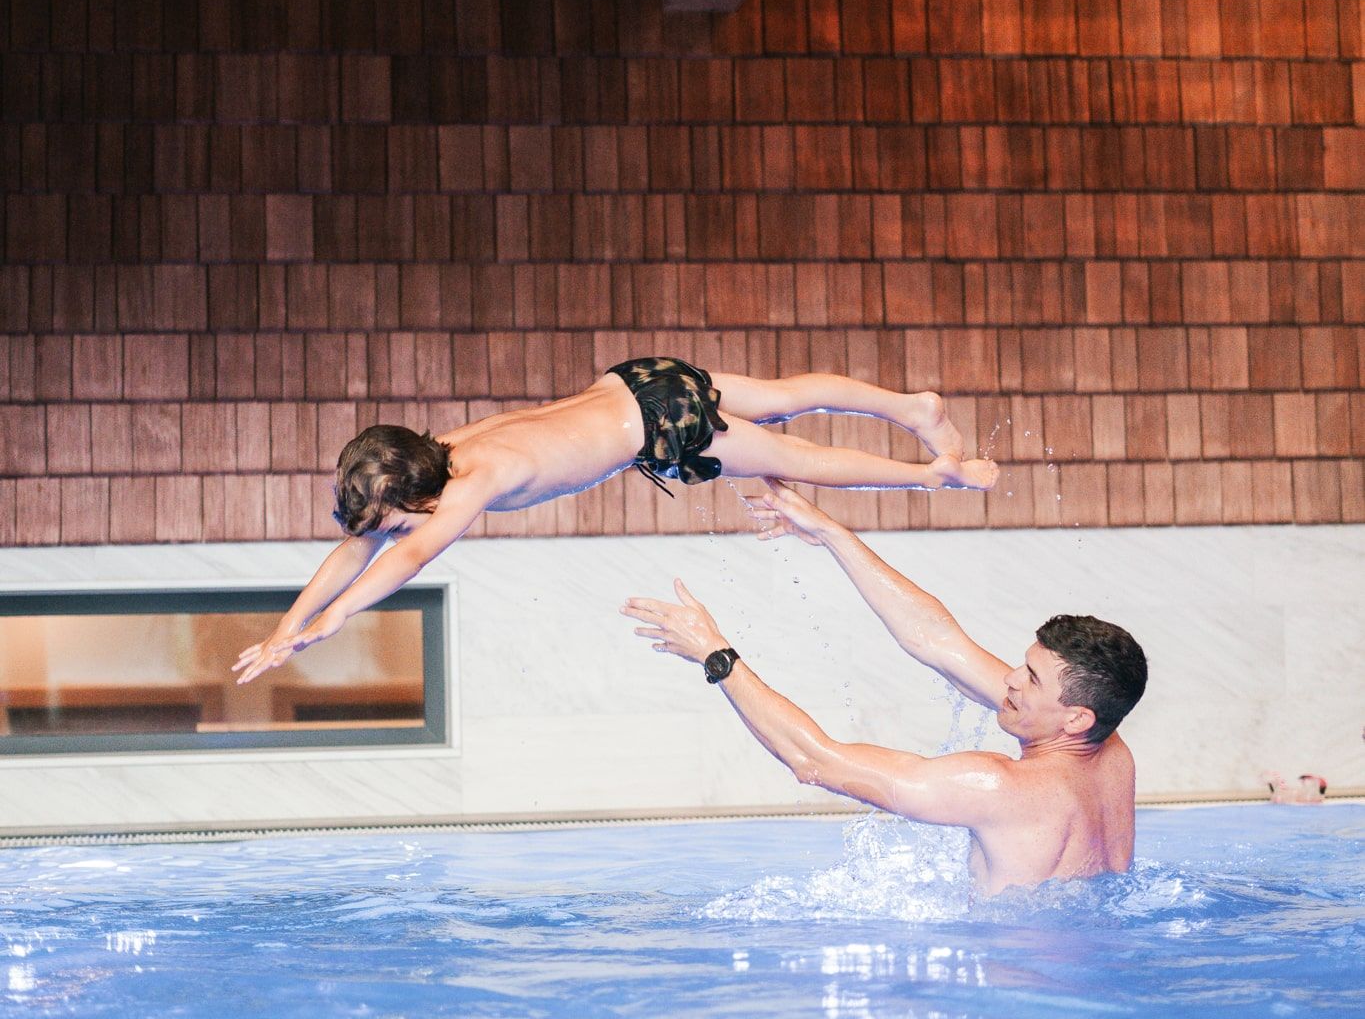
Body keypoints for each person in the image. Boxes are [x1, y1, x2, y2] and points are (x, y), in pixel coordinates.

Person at [232, 359, 998, 684]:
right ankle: (909, 408)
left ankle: (933, 473)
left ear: (417, 497)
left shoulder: (475, 478)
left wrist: (329, 624)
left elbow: (402, 562)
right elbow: (359, 548)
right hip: (637, 381)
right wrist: (287, 625)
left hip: (659, 426)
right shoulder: (437, 455)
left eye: (395, 519)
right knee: (783, 393)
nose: (388, 531)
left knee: (793, 456)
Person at [621, 481, 1148, 897]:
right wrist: (831, 533)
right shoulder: (1110, 750)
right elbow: (939, 640)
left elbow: (815, 761)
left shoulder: (997, 788)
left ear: (1075, 717)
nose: (1008, 679)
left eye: (1031, 679)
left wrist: (716, 655)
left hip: (1008, 999)